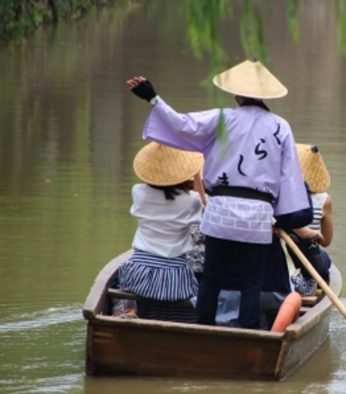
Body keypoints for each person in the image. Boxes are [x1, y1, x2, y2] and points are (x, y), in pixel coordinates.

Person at [126, 59, 312, 329]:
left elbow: (182, 126)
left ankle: (202, 330)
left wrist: (153, 98)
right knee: (252, 282)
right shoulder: (280, 126)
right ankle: (250, 335)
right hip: (257, 215)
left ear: (237, 95)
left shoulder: (222, 118)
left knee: (211, 278)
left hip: (220, 211)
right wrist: (284, 219)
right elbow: (289, 178)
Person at [116, 142, 205, 322]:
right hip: (176, 278)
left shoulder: (138, 193)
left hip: (138, 271)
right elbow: (205, 205)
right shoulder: (192, 201)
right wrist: (196, 177)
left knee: (118, 282)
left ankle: (129, 311)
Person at [290, 144, 334, 296]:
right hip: (309, 260)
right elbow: (326, 241)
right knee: (326, 260)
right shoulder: (324, 200)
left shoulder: (280, 196)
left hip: (287, 257)